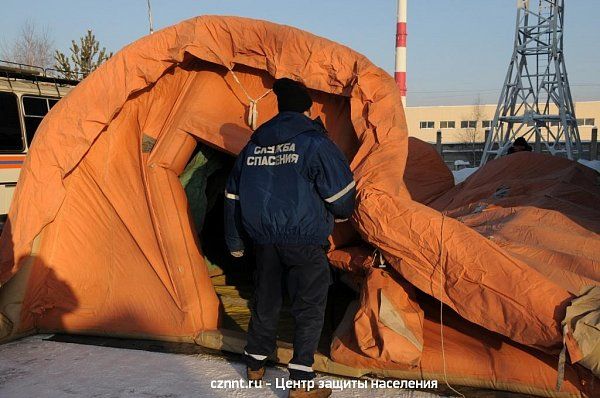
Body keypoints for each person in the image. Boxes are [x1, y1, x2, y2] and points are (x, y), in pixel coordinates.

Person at [224, 78, 355, 398]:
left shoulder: (253, 146)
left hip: (265, 242)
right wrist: (339, 216)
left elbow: (232, 196)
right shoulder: (315, 143)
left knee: (266, 300)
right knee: (308, 305)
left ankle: (255, 363)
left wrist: (235, 241)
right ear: (307, 110)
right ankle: (300, 379)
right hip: (305, 240)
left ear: (280, 108)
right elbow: (341, 196)